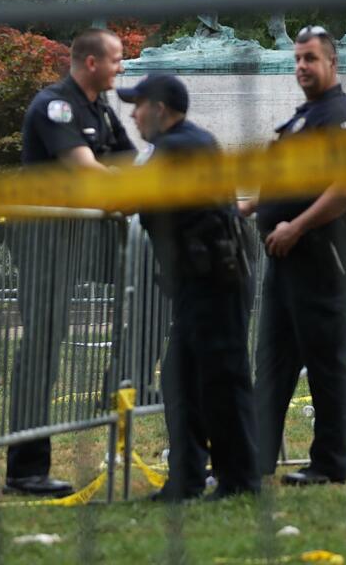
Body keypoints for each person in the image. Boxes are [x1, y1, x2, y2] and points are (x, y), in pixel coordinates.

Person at [4, 27, 136, 498]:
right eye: (117, 58)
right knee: (43, 342)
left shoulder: (99, 107)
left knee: (152, 282)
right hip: (44, 234)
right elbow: (88, 168)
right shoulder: (54, 105)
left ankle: (121, 383)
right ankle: (25, 468)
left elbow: (127, 160)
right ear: (92, 63)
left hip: (87, 231)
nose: (123, 66)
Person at [119, 73, 261, 501]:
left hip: (212, 283)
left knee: (220, 381)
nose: (132, 113)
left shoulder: (177, 147)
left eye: (138, 104)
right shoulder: (192, 141)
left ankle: (238, 480)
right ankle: (188, 478)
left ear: (160, 109)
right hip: (205, 281)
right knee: (183, 380)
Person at [242, 26, 346, 486]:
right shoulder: (303, 118)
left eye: (310, 59)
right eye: (297, 59)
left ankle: (329, 464)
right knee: (272, 359)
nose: (301, 67)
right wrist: (249, 207)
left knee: (325, 359)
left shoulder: (344, 116)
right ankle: (252, 461)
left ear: (332, 63)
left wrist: (295, 226)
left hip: (324, 252)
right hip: (286, 256)